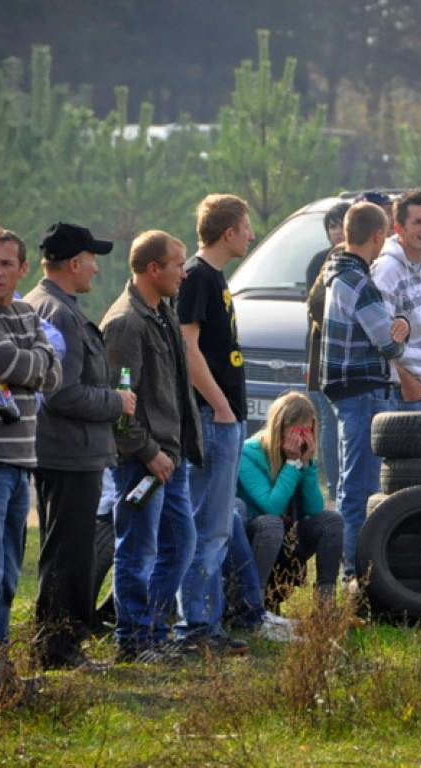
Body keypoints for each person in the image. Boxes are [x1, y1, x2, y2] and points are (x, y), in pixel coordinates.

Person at [25, 222, 133, 670]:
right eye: (92, 259)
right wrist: (117, 400)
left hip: (64, 450)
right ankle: (59, 649)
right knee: (69, 554)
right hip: (69, 452)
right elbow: (62, 392)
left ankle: (55, 644)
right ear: (73, 264)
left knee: (63, 551)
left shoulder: (43, 304)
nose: (95, 268)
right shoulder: (61, 314)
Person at [101, 230, 207, 663]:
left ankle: (154, 632)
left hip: (171, 458)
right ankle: (134, 640)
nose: (184, 273)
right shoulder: (126, 322)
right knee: (137, 550)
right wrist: (148, 453)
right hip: (142, 462)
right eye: (178, 265)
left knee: (181, 545)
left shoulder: (162, 312)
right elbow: (119, 404)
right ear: (153, 269)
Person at [0, 228, 61, 694]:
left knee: (9, 577)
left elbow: (54, 371)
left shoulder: (28, 313)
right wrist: (29, 364)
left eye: (6, 264)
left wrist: (24, 365)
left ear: (23, 270)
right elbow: (15, 361)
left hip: (18, 465)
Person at [175, 194, 253, 648]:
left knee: (219, 524)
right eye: (246, 227)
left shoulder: (216, 278)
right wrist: (220, 406)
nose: (251, 235)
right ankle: (197, 627)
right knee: (207, 526)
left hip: (226, 416)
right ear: (228, 233)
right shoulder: (197, 278)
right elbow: (188, 348)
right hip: (212, 417)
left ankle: (209, 622)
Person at [317, 202, 410, 578]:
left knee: (352, 483)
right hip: (364, 391)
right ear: (377, 235)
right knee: (360, 487)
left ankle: (351, 567)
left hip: (347, 392)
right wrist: (400, 329)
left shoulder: (337, 273)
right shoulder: (360, 282)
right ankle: (354, 573)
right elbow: (388, 344)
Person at [236, 392, 343, 609]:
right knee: (271, 524)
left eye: (307, 431)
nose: (302, 438)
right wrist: (293, 463)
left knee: (331, 520)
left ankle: (325, 605)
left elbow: (314, 509)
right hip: (256, 543)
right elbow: (271, 506)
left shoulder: (300, 455)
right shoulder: (248, 453)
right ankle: (253, 606)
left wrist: (307, 465)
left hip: (287, 544)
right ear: (279, 428)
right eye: (297, 430)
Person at [371, 188, 421, 412]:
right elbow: (377, 335)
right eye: (419, 222)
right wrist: (405, 380)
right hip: (401, 393)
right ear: (399, 227)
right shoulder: (386, 270)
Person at [306, 201, 352, 506]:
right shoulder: (323, 262)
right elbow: (317, 308)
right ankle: (333, 486)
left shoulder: (361, 259)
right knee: (327, 419)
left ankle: (340, 486)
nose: (336, 231)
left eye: (340, 224)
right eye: (331, 226)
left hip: (342, 359)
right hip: (324, 353)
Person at [305, 201, 351, 290]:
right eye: (333, 227)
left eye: (343, 226)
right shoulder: (318, 261)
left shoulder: (366, 258)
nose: (337, 232)